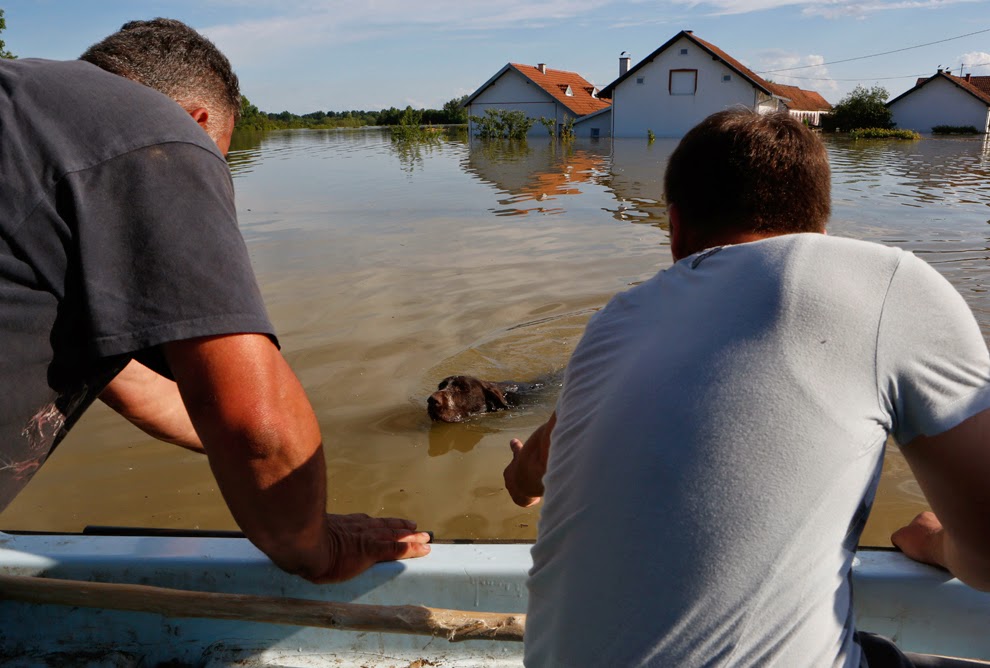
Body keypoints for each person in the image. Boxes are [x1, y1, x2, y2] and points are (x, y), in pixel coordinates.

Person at [503, 108, 990, 667]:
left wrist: (523, 479)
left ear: (676, 228)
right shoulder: (886, 283)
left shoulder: (614, 320)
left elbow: (535, 464)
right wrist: (936, 541)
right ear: (822, 231)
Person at [0, 18, 430, 583]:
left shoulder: (25, 113)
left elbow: (136, 387)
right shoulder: (156, 130)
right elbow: (252, 420)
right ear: (200, 123)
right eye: (218, 159)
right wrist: (312, 543)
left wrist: (299, 459)